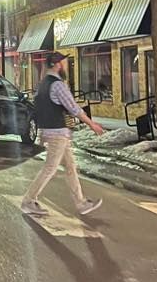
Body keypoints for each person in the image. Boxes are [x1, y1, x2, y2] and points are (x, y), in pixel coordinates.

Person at [21, 51, 104, 217]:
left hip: (53, 131)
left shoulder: (42, 84)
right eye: (64, 63)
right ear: (57, 65)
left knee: (70, 167)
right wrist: (91, 124)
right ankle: (28, 200)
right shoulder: (57, 85)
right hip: (57, 133)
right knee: (50, 168)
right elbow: (73, 108)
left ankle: (81, 203)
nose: (65, 66)